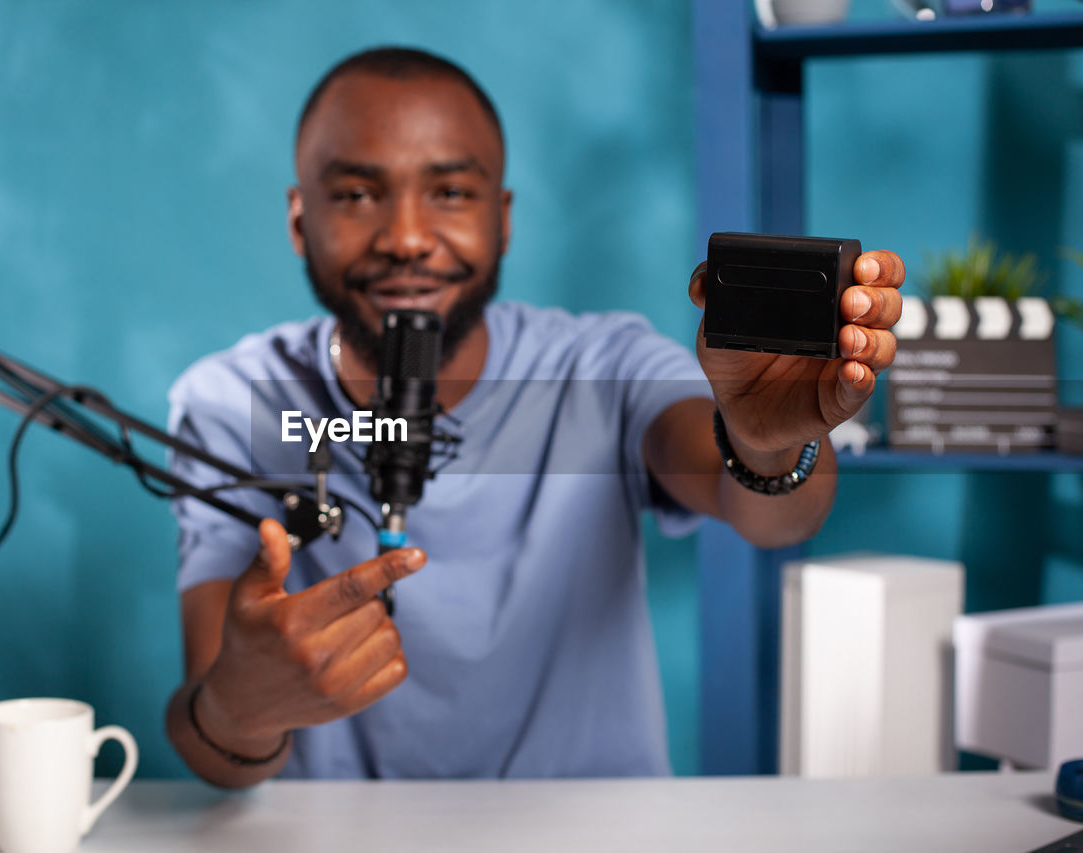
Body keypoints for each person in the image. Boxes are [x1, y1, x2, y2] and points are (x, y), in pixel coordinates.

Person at [163, 47, 904, 788]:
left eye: (450, 192)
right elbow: (214, 735)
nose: (408, 238)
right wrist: (240, 710)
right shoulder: (244, 402)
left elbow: (772, 515)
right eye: (358, 195)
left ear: (504, 218)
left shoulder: (599, 367)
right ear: (299, 220)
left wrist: (766, 442)